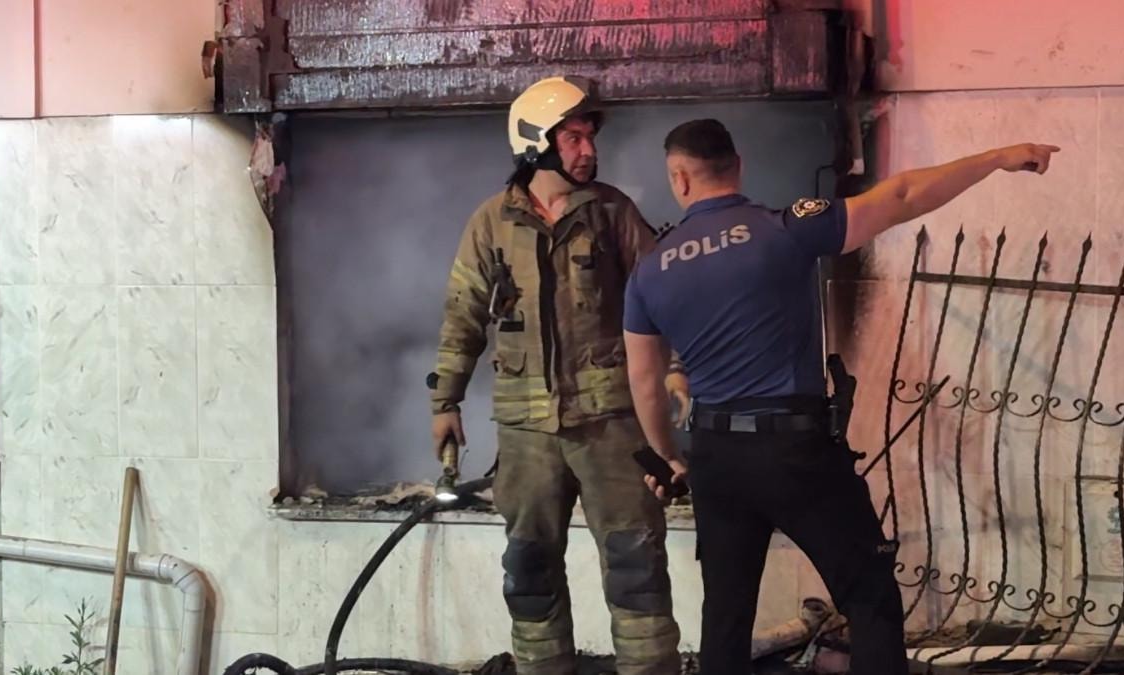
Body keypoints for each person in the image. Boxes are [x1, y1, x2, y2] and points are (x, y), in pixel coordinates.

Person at [621, 118, 1059, 675]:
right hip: (794, 451)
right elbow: (901, 195)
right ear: (738, 166)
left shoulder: (650, 269)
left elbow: (643, 379)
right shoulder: (785, 227)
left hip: (716, 457)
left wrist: (669, 458)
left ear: (679, 179)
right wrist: (996, 156)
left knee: (726, 614)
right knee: (869, 596)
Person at [428, 75, 690, 675]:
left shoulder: (612, 212)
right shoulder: (492, 223)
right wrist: (446, 401)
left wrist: (675, 370)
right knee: (530, 570)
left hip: (613, 425)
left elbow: (663, 299)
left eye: (589, 137)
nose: (587, 150)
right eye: (572, 138)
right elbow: (463, 314)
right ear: (535, 143)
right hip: (526, 432)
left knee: (637, 567)